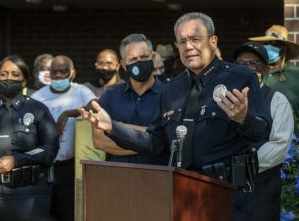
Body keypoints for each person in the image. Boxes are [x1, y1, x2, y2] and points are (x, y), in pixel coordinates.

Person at [80, 12, 270, 220]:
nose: (188, 47)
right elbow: (155, 142)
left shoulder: (240, 78)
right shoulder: (171, 90)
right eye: (182, 41)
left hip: (231, 195)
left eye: (195, 39)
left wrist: (244, 119)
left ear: (213, 42)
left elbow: (262, 132)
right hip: (186, 197)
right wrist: (112, 128)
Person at [0, 55, 59, 220]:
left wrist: (17, 159)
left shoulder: (38, 110)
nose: (8, 78)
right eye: (3, 74)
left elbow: (50, 148)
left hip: (29, 191)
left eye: (14, 74)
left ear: (24, 81)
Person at [233, 41, 294, 221]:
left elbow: (280, 145)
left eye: (252, 63)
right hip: (229, 186)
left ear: (265, 69)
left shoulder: (278, 100)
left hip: (262, 187)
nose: (246, 68)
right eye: (240, 63)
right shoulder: (225, 98)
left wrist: (245, 166)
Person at [31, 55, 95, 221]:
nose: (58, 75)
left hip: (69, 167)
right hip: (43, 167)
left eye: (63, 71)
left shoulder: (80, 91)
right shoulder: (37, 97)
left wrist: (68, 113)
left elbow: (96, 105)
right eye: (55, 71)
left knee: (68, 212)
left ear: (72, 72)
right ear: (49, 73)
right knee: (44, 212)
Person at [93, 34, 168, 165]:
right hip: (118, 179)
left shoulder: (170, 95)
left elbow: (167, 140)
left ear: (153, 57)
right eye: (133, 59)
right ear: (123, 64)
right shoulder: (110, 95)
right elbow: (100, 141)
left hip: (158, 180)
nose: (139, 62)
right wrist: (149, 142)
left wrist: (116, 128)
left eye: (144, 57)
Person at [249, 25, 299, 134]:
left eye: (275, 44)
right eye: (266, 43)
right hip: (258, 144)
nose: (269, 47)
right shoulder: (252, 75)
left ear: (284, 49)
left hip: (292, 146)